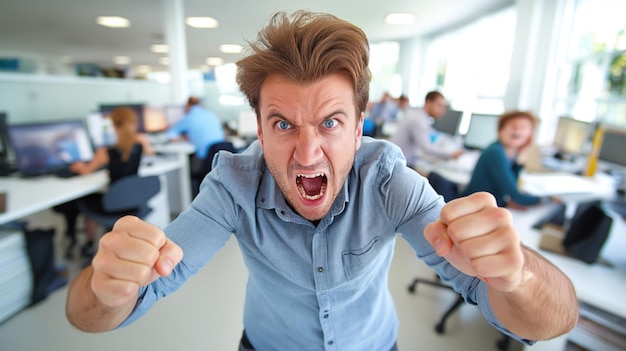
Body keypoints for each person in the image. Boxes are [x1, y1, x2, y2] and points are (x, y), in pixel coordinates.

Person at [66, 11, 578, 351]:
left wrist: (519, 278)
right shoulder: (231, 187)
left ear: (359, 131)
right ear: (260, 133)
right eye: (283, 124)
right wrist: (108, 286)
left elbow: (553, 321)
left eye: (330, 122)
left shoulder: (390, 182)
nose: (307, 153)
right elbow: (89, 317)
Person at [53, 107, 154, 259]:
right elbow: (149, 154)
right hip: (132, 200)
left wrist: (79, 166)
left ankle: (89, 244)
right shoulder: (140, 143)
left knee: (84, 200)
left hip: (112, 204)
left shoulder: (105, 151)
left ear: (114, 125)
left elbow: (86, 171)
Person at [461, 110, 542, 209]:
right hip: (472, 209)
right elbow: (515, 195)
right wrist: (543, 199)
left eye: (523, 127)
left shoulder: (510, 153)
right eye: (513, 126)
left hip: (486, 207)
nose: (517, 130)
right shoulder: (495, 152)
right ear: (500, 131)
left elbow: (512, 186)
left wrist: (522, 155)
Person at [390, 91, 463, 168]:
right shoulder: (418, 121)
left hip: (399, 162)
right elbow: (427, 148)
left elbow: (428, 131)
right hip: (400, 165)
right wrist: (451, 154)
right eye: (439, 106)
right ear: (428, 102)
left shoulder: (418, 115)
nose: (442, 111)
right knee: (434, 177)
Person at [166, 96, 225, 180]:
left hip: (205, 160)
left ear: (188, 105)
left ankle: (191, 191)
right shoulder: (211, 114)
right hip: (219, 157)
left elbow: (170, 134)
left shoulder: (188, 118)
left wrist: (180, 137)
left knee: (187, 168)